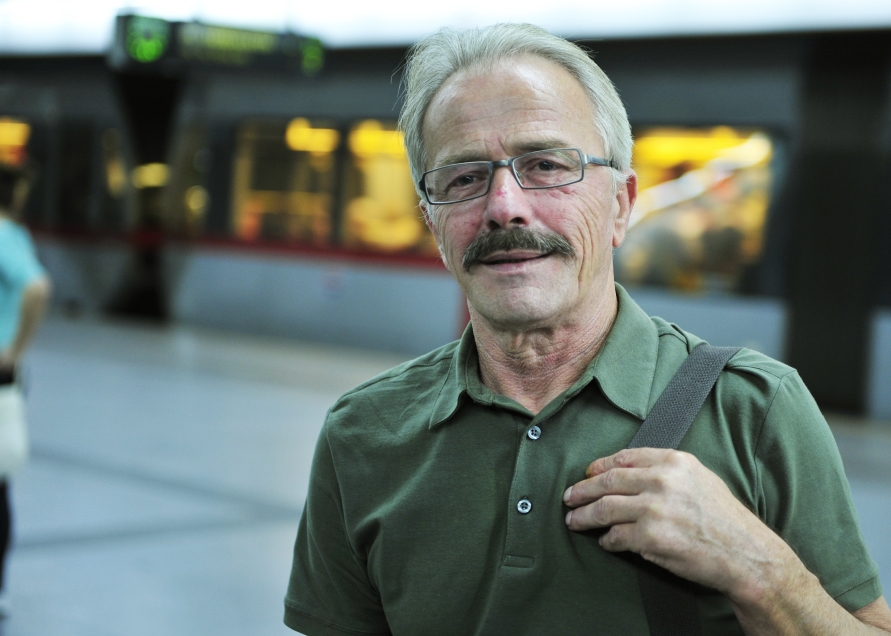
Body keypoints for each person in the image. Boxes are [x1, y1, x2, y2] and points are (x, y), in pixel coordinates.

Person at [284, 24, 891, 634]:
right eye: (464, 178)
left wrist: (761, 569)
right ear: (432, 223)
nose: (504, 207)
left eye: (546, 165)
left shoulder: (756, 412)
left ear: (621, 205)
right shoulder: (361, 434)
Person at [0, 162, 51, 616]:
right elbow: (36, 287)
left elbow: (36, 288)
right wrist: (16, 347)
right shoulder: (10, 235)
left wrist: (13, 347)